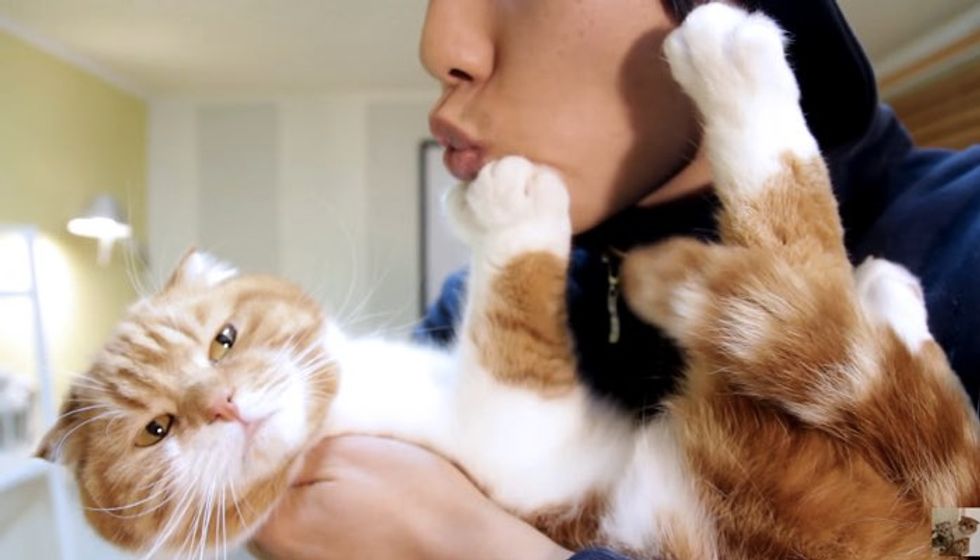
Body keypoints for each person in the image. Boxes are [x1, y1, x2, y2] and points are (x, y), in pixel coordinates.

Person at [254, 0, 980, 558]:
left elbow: (960, 539)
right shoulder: (472, 317)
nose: (441, 45)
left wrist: (476, 544)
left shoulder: (965, 242)